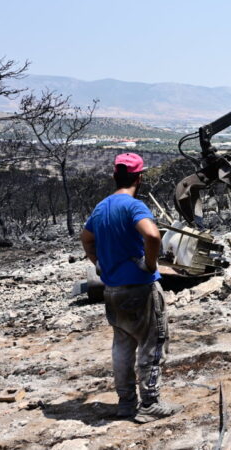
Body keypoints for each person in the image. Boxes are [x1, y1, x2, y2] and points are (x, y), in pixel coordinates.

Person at [80, 153, 183, 423]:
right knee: (153, 343)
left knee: (122, 346)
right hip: (141, 289)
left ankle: (126, 403)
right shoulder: (133, 206)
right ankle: (149, 403)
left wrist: (100, 263)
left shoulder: (100, 208)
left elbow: (86, 238)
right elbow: (151, 234)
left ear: (115, 176)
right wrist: (150, 264)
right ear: (139, 177)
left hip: (112, 290)